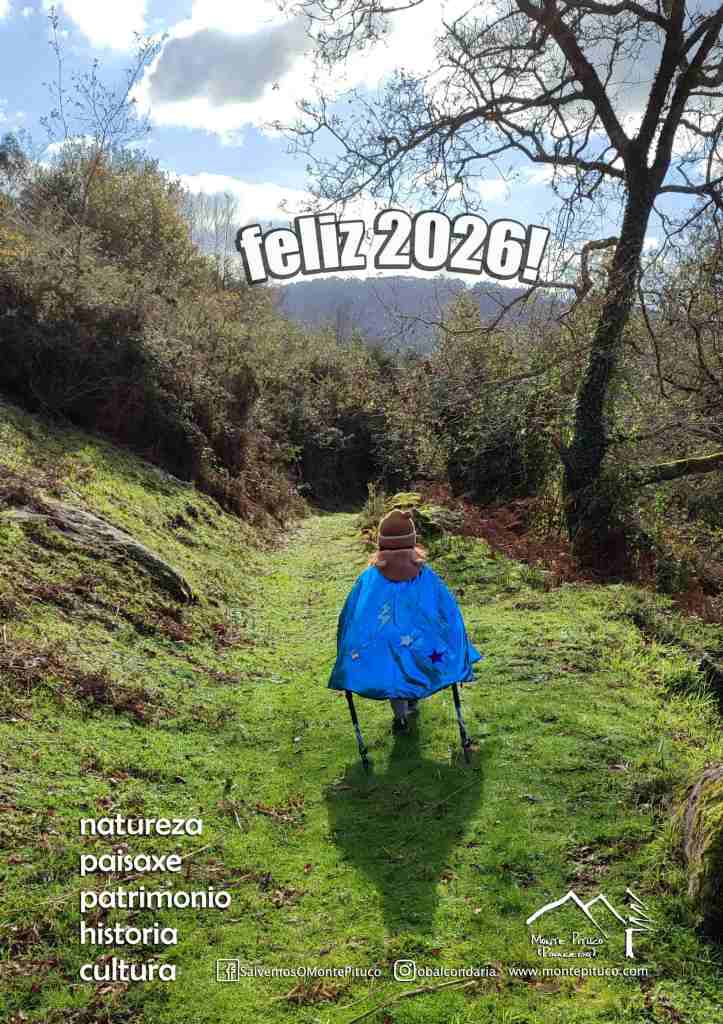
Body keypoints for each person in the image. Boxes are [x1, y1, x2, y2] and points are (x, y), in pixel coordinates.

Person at [328, 507, 482, 732]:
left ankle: (400, 717)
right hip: (418, 634)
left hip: (383, 636)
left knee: (393, 670)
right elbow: (445, 607)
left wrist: (348, 641)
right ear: (412, 541)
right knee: (414, 657)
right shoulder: (424, 574)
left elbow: (352, 612)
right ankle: (412, 697)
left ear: (381, 543)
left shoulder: (370, 576)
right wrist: (451, 635)